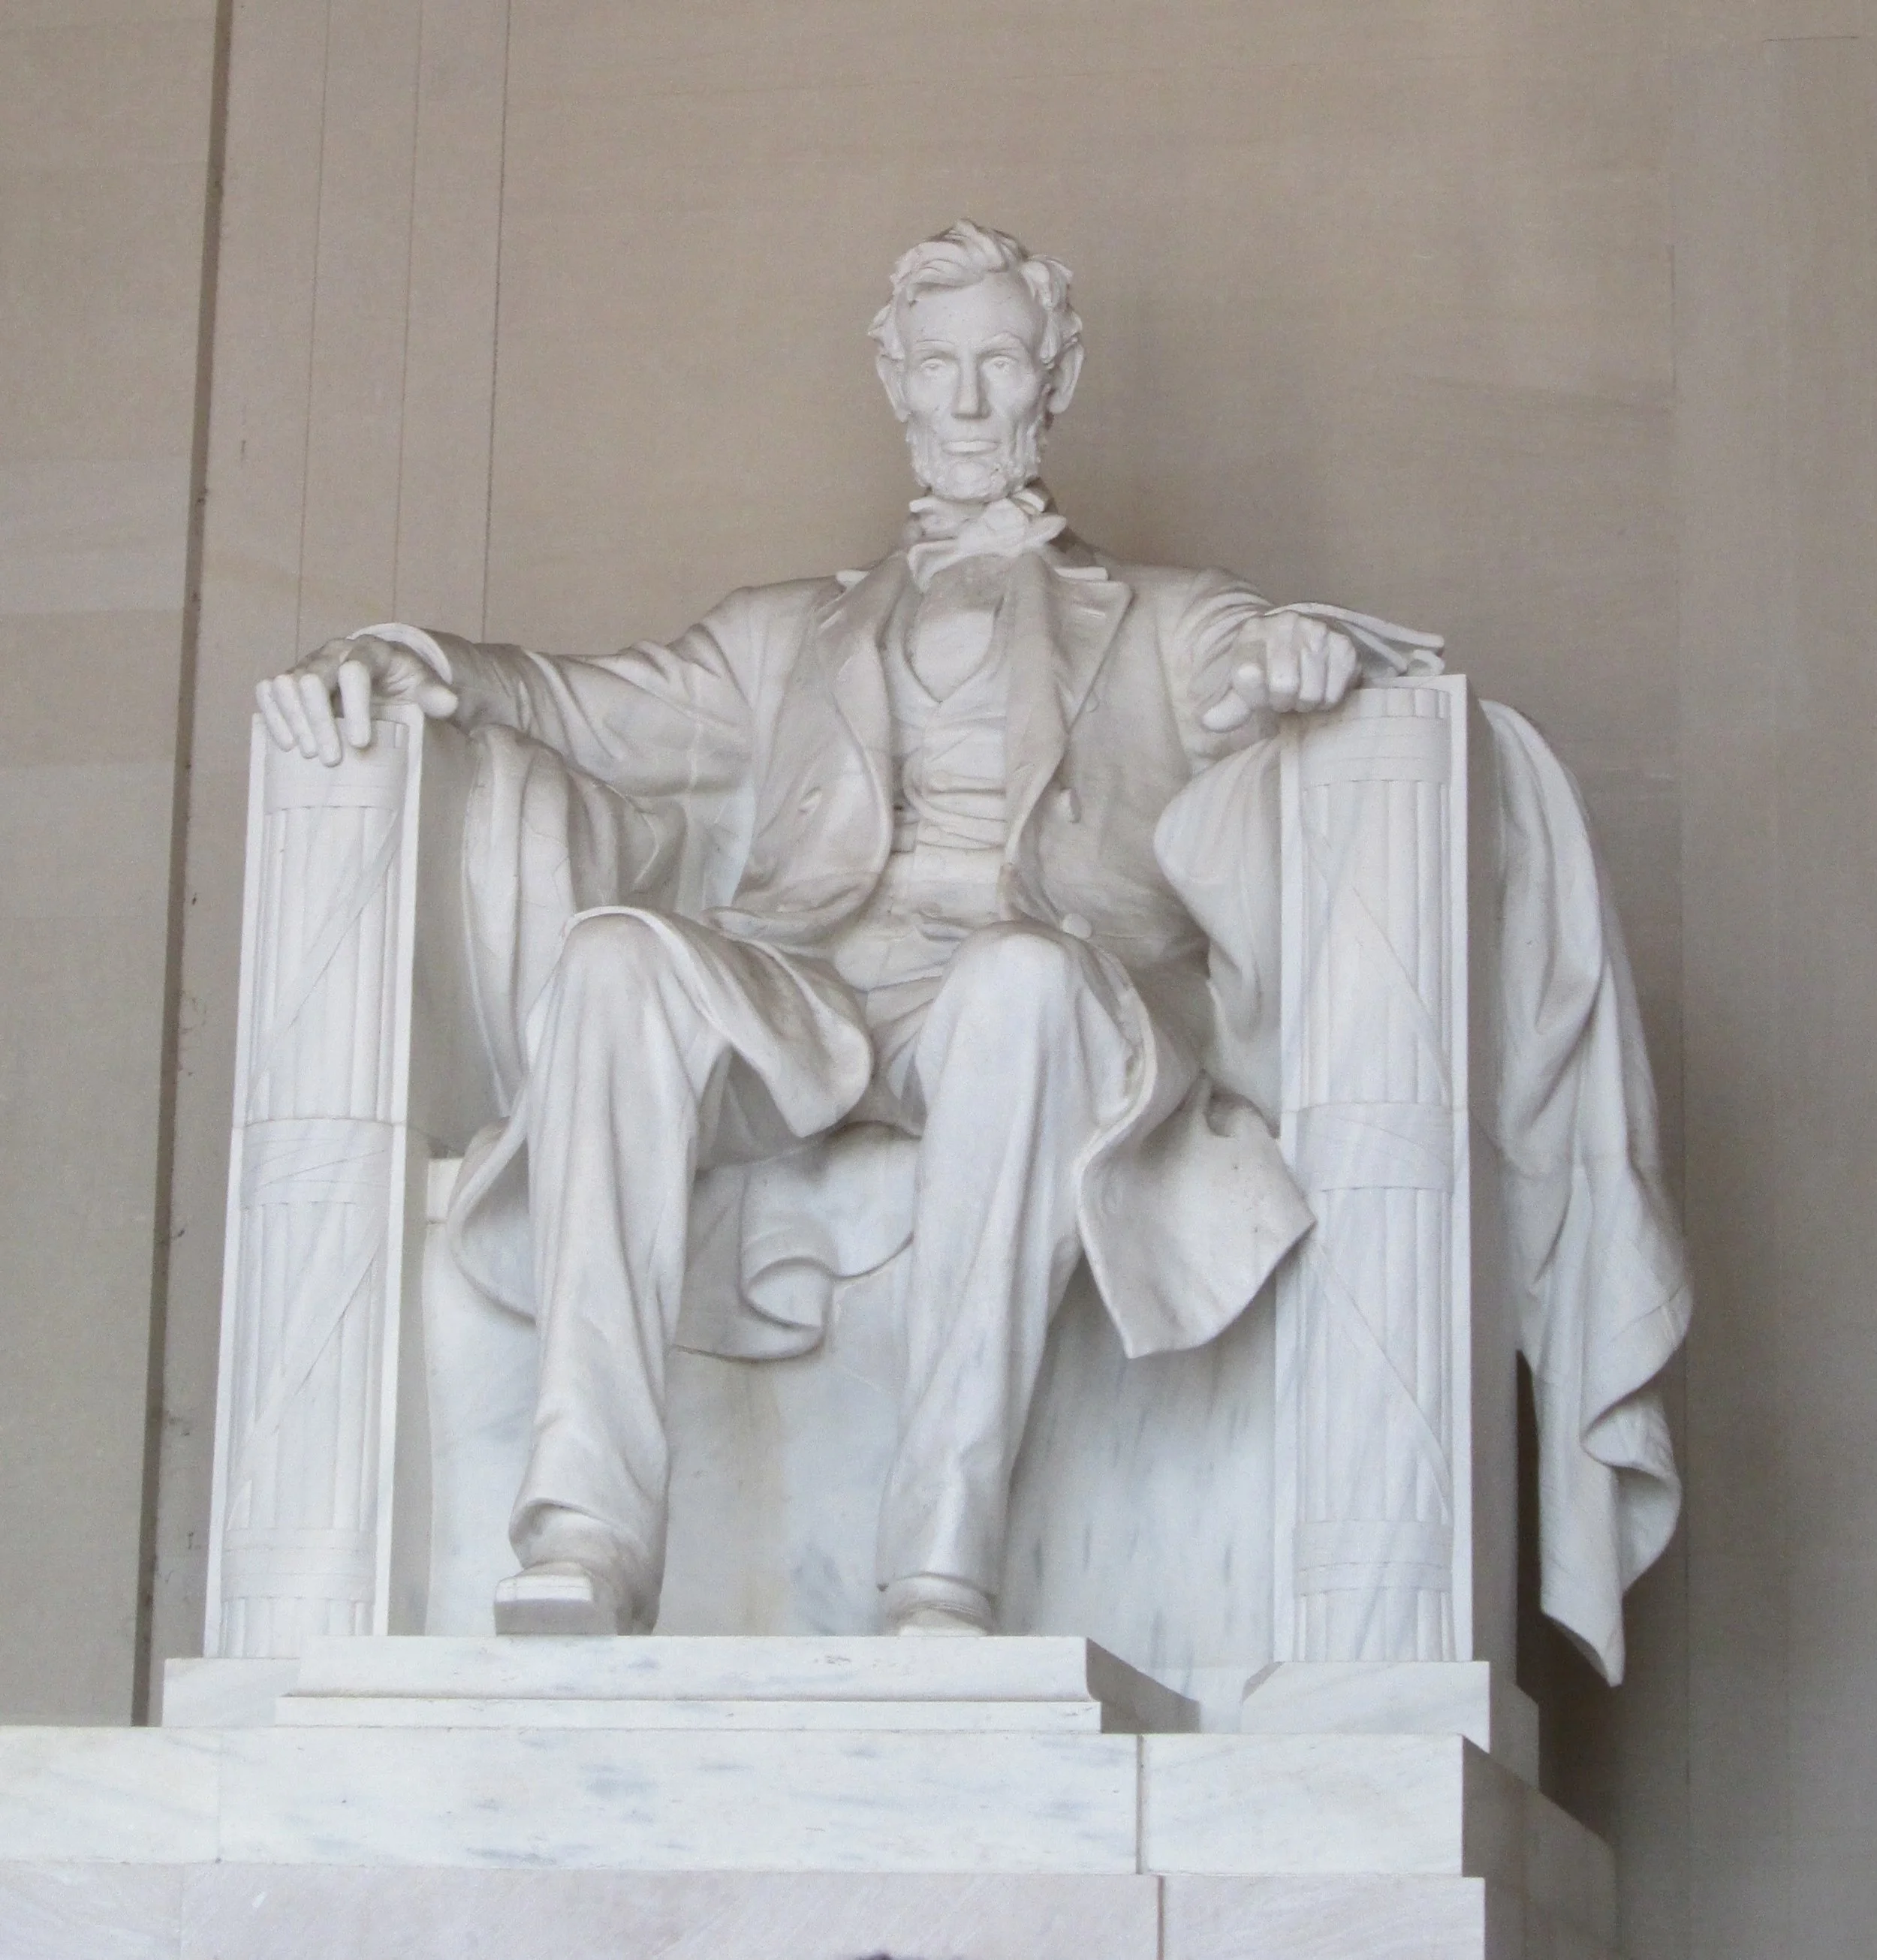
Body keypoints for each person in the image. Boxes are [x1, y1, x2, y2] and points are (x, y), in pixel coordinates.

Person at [258, 221, 1430, 1637]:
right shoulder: (781, 635)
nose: (969, 400)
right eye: (938, 366)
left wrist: (1298, 654)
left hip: (1026, 999)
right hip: (812, 995)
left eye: (1002, 362)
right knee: (617, 958)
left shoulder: (1172, 620)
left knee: (1019, 982)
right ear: (894, 380)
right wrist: (406, 662)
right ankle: (583, 1529)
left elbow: (1273, 653)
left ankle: (940, 1563)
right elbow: (577, 704)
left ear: (1057, 377)